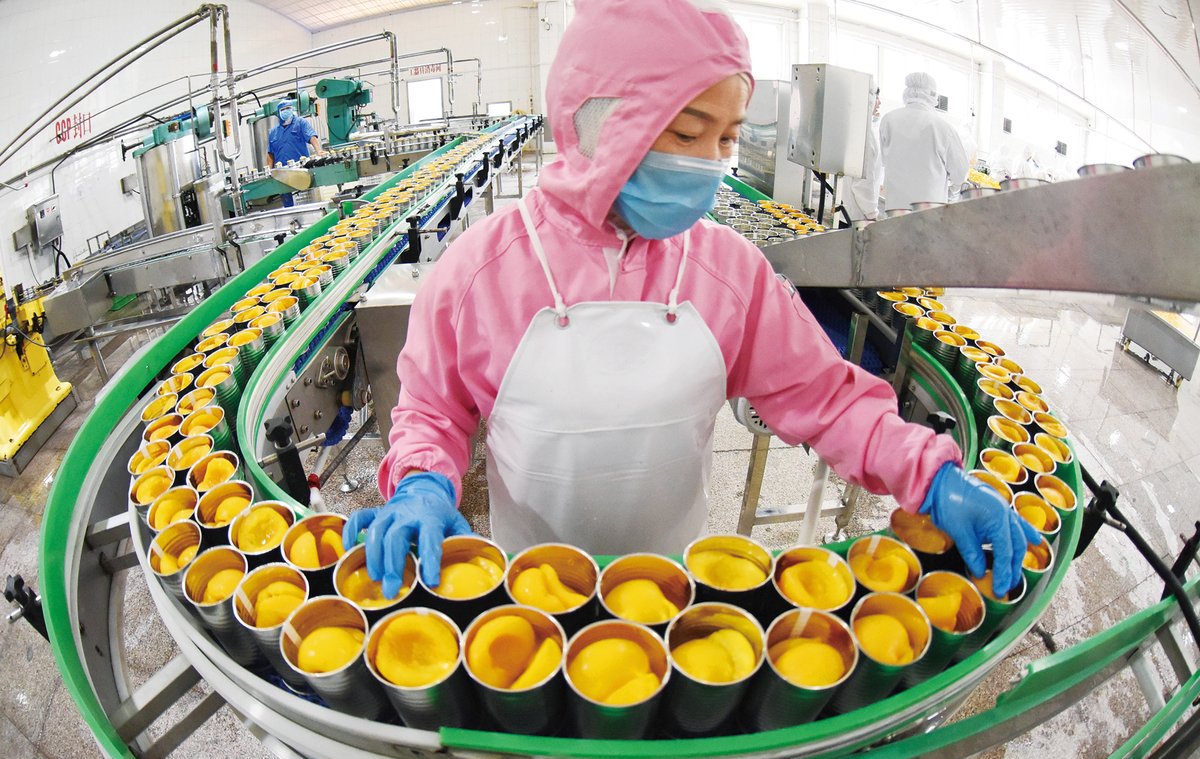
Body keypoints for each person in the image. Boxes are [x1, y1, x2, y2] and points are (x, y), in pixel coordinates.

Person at [343, 0, 1039, 602]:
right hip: (528, 590)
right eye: (685, 132)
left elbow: (826, 400)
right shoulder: (480, 271)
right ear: (596, 122)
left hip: (675, 585)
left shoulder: (728, 271)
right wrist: (421, 484)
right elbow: (431, 410)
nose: (707, 161)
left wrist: (930, 474)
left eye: (727, 138)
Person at [879, 72, 970, 209]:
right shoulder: (943, 128)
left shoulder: (888, 120)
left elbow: (884, 160)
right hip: (929, 210)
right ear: (932, 95)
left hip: (895, 208)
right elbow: (960, 173)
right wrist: (951, 193)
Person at [266, 98, 321, 207]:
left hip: (300, 173)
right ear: (278, 113)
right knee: (289, 208)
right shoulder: (273, 132)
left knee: (306, 205)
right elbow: (270, 153)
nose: (286, 111)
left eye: (288, 108)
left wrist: (319, 151)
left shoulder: (300, 123)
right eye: (283, 109)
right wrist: (269, 171)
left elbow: (312, 137)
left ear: (292, 109)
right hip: (282, 177)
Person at [843, 84, 883, 221]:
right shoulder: (866, 135)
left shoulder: (852, 126)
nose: (879, 102)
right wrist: (872, 214)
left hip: (845, 211)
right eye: (877, 97)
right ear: (869, 99)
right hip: (857, 216)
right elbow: (862, 183)